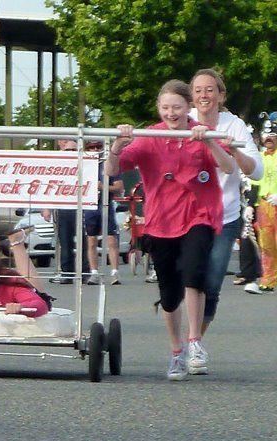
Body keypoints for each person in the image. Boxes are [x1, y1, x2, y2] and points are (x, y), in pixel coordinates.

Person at [106, 79, 235, 381]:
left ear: (188, 107)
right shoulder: (149, 136)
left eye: (177, 107)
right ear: (158, 109)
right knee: (168, 294)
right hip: (161, 222)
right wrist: (116, 146)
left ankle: (194, 343)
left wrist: (209, 141)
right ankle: (176, 352)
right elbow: (113, 170)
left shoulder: (199, 133)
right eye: (165, 108)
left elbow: (228, 167)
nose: (171, 113)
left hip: (199, 216)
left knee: (194, 273)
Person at [189, 68, 263, 336]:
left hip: (224, 217)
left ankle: (195, 341)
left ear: (221, 95)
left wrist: (234, 151)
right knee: (186, 279)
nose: (203, 95)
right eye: (198, 90)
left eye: (209, 90)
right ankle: (186, 340)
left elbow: (256, 171)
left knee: (211, 283)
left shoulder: (234, 125)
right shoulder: (182, 121)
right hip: (187, 216)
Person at [43, 139, 90, 285]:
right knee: (65, 242)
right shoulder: (57, 165)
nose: (71, 153)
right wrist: (46, 208)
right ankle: (66, 272)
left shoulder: (85, 165)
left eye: (74, 150)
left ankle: (85, 272)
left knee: (83, 242)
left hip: (81, 208)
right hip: (63, 208)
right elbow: (48, 186)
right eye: (68, 150)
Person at [83, 141, 124, 285]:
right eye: (91, 148)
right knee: (91, 240)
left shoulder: (109, 165)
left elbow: (119, 187)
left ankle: (115, 272)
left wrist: (103, 186)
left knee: (111, 240)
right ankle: (94, 272)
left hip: (106, 205)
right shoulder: (84, 165)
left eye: (97, 147)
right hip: (90, 206)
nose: (95, 150)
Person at [255, 133, 277, 292]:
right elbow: (253, 181)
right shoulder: (259, 157)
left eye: (273, 135)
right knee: (266, 244)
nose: (269, 139)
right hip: (263, 204)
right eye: (266, 136)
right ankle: (268, 279)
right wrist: (250, 205)